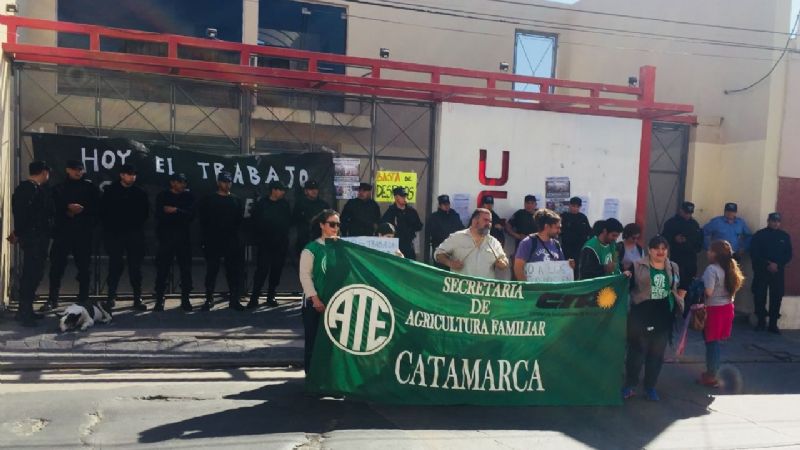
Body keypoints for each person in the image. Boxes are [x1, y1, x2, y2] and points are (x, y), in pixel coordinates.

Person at [623, 236, 683, 402]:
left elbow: (677, 285)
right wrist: (625, 275)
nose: (660, 251)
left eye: (664, 248)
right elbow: (626, 287)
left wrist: (680, 300)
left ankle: (650, 387)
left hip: (663, 314)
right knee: (636, 353)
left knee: (656, 354)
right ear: (649, 250)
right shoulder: (637, 265)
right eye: (657, 248)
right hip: (641, 314)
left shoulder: (673, 266)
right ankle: (630, 385)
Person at [45, 160, 100, 311]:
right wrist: (66, 209)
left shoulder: (90, 188)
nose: (78, 172)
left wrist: (83, 210)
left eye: (80, 169)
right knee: (56, 267)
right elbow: (52, 208)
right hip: (63, 232)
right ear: (67, 170)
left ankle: (83, 298)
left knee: (84, 267)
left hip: (83, 233)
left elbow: (98, 208)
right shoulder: (59, 188)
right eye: (75, 169)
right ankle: (52, 298)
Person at [100, 164, 149, 312]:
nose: (132, 177)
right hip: (115, 234)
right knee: (115, 265)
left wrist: (134, 225)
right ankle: (111, 297)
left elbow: (145, 213)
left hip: (134, 234)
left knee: (135, 268)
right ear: (122, 175)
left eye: (134, 174)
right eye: (129, 174)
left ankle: (137, 297)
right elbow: (104, 212)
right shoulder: (111, 191)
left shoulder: (140, 192)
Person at [10, 161, 53, 327]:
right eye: (47, 173)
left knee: (36, 273)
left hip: (37, 237)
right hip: (33, 238)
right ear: (43, 172)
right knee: (31, 274)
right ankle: (24, 312)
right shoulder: (27, 190)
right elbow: (23, 215)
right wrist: (19, 233)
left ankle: (26, 309)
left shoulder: (34, 189)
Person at [299, 209, 340, 373]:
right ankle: (311, 377)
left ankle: (328, 377)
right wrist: (315, 300)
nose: (335, 228)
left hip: (334, 303)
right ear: (322, 225)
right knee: (313, 341)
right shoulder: (311, 248)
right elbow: (305, 276)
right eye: (332, 224)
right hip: (314, 304)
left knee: (332, 343)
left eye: (337, 224)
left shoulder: (342, 248)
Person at [699, 240, 744, 387]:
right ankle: (712, 372)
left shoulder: (711, 270)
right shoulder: (731, 268)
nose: (708, 253)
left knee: (711, 343)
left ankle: (712, 375)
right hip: (727, 308)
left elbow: (708, 292)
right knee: (716, 342)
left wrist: (699, 286)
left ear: (716, 254)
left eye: (710, 250)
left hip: (714, 309)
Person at [197, 171, 245, 311]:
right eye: (224, 182)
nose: (227, 184)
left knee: (232, 272)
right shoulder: (209, 199)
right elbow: (203, 220)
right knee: (212, 270)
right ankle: (209, 298)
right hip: (213, 240)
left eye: (229, 182)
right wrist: (205, 239)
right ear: (218, 183)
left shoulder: (236, 200)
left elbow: (239, 221)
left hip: (231, 241)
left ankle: (234, 300)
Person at [153, 173, 195, 312]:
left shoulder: (188, 197)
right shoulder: (163, 196)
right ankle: (159, 299)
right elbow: (160, 215)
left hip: (183, 239)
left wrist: (176, 210)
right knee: (162, 269)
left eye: (184, 182)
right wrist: (178, 214)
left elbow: (190, 215)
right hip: (166, 238)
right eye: (180, 182)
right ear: (172, 183)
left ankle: (185, 299)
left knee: (186, 270)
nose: (183, 184)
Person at [249, 180, 291, 309]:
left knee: (276, 271)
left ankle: (271, 295)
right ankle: (254, 297)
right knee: (261, 271)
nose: (283, 192)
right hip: (265, 244)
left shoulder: (284, 204)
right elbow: (255, 221)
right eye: (281, 190)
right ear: (274, 190)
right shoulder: (262, 203)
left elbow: (288, 222)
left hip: (280, 244)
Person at [434, 208, 509, 279]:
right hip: (462, 286)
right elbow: (438, 254)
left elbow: (504, 260)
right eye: (485, 220)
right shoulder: (457, 237)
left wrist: (503, 263)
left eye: (490, 221)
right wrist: (450, 263)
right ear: (475, 221)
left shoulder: (493, 242)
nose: (489, 224)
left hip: (484, 287)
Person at [750, 213, 793, 333]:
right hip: (762, 271)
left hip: (778, 272)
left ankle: (773, 324)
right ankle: (761, 322)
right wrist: (767, 264)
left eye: (778, 221)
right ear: (768, 221)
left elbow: (788, 254)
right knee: (759, 296)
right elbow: (754, 253)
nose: (776, 223)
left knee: (777, 297)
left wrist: (777, 264)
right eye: (773, 221)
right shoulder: (760, 235)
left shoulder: (784, 236)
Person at [513, 209, 573, 281]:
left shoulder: (556, 244)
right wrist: (527, 286)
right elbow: (518, 268)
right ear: (547, 226)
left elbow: (561, 268)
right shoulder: (527, 242)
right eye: (557, 228)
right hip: (534, 287)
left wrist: (568, 266)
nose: (559, 231)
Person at [662, 201, 703, 291]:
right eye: (686, 213)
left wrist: (691, 243)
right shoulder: (671, 223)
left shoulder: (694, 224)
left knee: (689, 285)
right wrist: (674, 239)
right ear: (681, 210)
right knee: (675, 283)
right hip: (676, 258)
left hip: (691, 260)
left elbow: (699, 241)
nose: (688, 215)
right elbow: (663, 240)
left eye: (690, 213)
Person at [381, 187, 423, 259]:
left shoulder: (411, 211)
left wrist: (410, 225)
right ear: (396, 197)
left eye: (405, 196)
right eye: (402, 196)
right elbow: (383, 227)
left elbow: (419, 226)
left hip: (409, 245)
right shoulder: (391, 211)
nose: (404, 198)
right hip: (395, 246)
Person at [293, 180, 330, 256]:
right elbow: (294, 220)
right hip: (304, 240)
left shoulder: (323, 205)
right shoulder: (300, 204)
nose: (314, 191)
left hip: (319, 239)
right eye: (311, 189)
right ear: (305, 191)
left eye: (315, 189)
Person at [427, 194, 464, 268]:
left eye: (448, 204)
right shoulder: (434, 217)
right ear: (439, 205)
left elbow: (461, 228)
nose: (447, 206)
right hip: (440, 248)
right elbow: (431, 232)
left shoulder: (454, 215)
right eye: (444, 204)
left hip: (453, 248)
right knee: (440, 269)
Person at [560, 197, 592, 262]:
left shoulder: (583, 217)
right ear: (569, 205)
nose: (575, 208)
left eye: (578, 207)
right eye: (573, 206)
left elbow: (589, 231)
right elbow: (558, 231)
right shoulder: (564, 216)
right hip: (566, 249)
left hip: (579, 249)